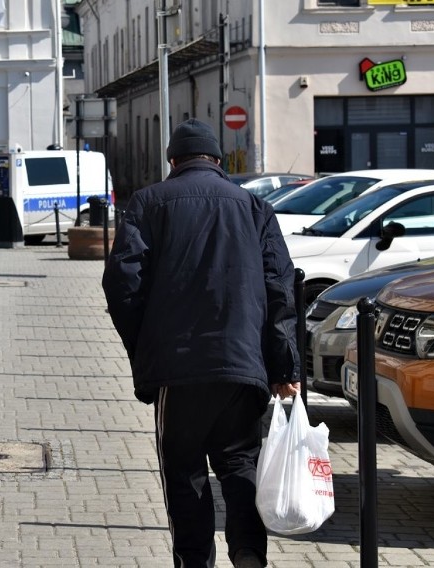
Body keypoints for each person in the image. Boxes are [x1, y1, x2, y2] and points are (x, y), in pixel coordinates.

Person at [102, 118, 300, 568]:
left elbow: (121, 283)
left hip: (181, 369)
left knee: (185, 471)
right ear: (217, 160)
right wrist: (284, 367)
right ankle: (249, 554)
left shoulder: (149, 202)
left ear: (173, 161)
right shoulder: (254, 207)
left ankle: (195, 562)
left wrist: (146, 350)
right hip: (243, 366)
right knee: (239, 464)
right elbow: (281, 288)